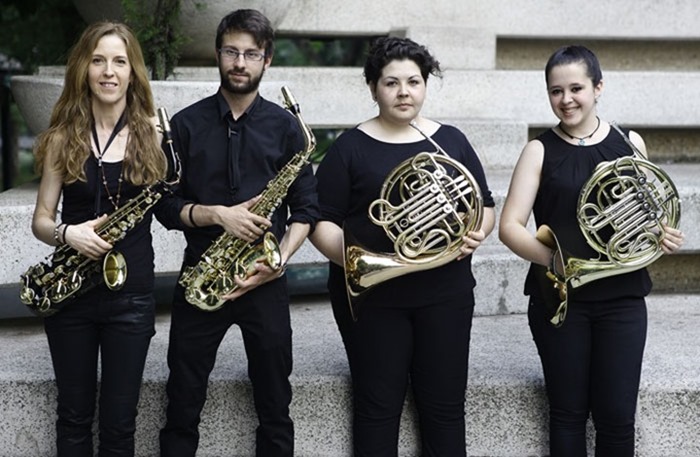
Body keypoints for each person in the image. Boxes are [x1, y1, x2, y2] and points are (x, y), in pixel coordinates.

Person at [310, 36, 496, 456]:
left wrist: (477, 233)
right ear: (374, 87)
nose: (403, 91)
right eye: (391, 82)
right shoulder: (348, 148)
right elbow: (321, 222)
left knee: (445, 410)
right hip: (375, 296)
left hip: (445, 294)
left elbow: (483, 205)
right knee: (377, 409)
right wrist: (364, 261)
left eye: (413, 81)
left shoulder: (450, 140)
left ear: (425, 85)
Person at [498, 45, 685, 457]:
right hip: (561, 298)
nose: (566, 99)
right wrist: (556, 261)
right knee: (567, 413)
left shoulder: (629, 141)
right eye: (556, 91)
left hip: (622, 298)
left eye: (577, 88)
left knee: (617, 417)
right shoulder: (539, 150)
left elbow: (644, 211)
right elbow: (509, 227)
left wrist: (659, 234)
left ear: (598, 87)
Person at [155, 9, 319, 457]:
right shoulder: (184, 126)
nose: (240, 62)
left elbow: (306, 209)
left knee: (275, 404)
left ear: (267, 60)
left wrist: (278, 260)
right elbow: (166, 208)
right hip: (201, 275)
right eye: (231, 51)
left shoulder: (287, 129)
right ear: (217, 54)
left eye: (251, 53)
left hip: (264, 278)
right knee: (182, 400)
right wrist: (216, 215)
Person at [30, 22, 169, 456]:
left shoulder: (155, 135)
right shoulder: (60, 139)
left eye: (119, 62)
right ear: (84, 70)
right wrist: (68, 233)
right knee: (72, 418)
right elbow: (40, 220)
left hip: (131, 298)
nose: (109, 71)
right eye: (98, 60)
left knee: (119, 425)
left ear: (133, 73)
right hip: (70, 296)